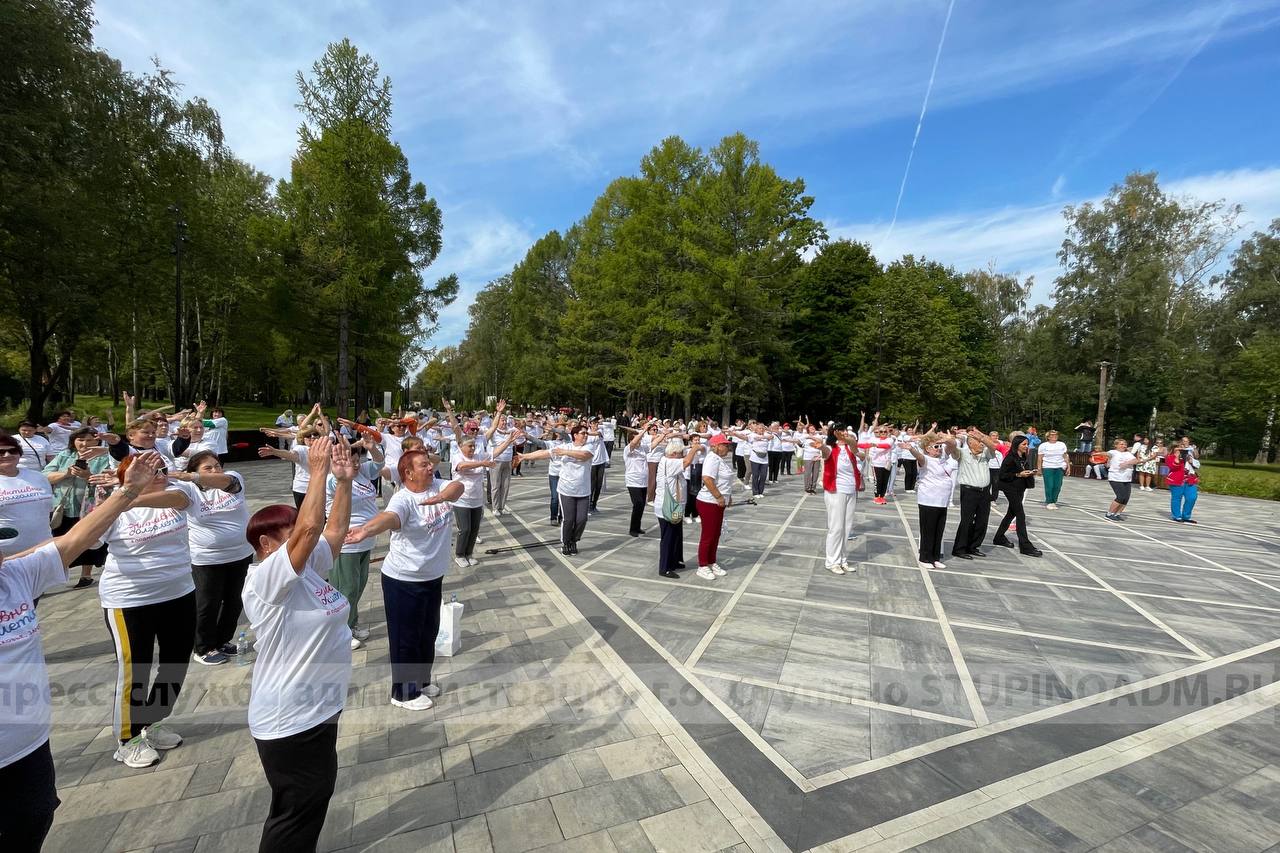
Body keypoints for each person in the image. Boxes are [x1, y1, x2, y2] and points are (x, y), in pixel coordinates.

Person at [0, 450, 159, 849]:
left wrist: (127, 492)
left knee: (35, 818)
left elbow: (74, 540)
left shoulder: (16, 576)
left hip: (29, 746)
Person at [242, 432, 355, 852]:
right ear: (267, 544)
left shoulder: (305, 570)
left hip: (319, 706)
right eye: (289, 536)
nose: (302, 539)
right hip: (289, 718)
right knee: (294, 813)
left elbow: (335, 533)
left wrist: (343, 482)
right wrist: (318, 468)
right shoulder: (266, 579)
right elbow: (309, 529)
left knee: (313, 800)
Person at [92, 451, 203, 768]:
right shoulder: (112, 509)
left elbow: (180, 500)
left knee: (175, 663)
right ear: (128, 475)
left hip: (179, 592)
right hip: (128, 601)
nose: (159, 474)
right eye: (149, 471)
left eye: (161, 469)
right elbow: (89, 543)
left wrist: (128, 498)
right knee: (135, 670)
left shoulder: (179, 495)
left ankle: (152, 721)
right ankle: (128, 739)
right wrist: (111, 503)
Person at [345, 450, 463, 710]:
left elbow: (459, 486)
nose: (430, 468)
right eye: (423, 465)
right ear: (408, 473)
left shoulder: (437, 485)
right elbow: (389, 518)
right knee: (405, 638)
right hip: (403, 580)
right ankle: (403, 693)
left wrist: (443, 496)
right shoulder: (403, 499)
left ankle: (421, 681)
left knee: (428, 632)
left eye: (429, 464)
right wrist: (365, 530)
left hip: (432, 576)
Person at [325, 436, 384, 650]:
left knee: (358, 586)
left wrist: (372, 448)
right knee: (345, 588)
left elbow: (379, 463)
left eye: (357, 460)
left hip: (365, 539)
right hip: (346, 541)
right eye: (351, 461)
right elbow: (338, 481)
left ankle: (351, 622)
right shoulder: (333, 479)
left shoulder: (363, 473)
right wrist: (342, 469)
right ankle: (339, 631)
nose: (355, 465)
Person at [44, 427, 116, 589]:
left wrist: (88, 476)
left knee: (89, 539)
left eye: (89, 440)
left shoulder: (105, 456)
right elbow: (45, 475)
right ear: (73, 441)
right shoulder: (65, 455)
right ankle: (60, 571)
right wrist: (66, 474)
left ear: (97, 440)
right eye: (80, 440)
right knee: (62, 537)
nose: (84, 444)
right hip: (64, 504)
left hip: (91, 504)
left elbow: (108, 479)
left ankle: (86, 575)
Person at [519, 426, 594, 554]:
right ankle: (566, 542)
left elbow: (584, 456)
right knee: (568, 519)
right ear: (575, 435)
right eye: (583, 433)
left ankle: (574, 540)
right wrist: (525, 456)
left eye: (586, 433)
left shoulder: (588, 447)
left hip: (583, 490)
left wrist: (565, 452)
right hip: (566, 490)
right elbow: (543, 453)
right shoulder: (565, 447)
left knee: (582, 519)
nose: (586, 435)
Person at [452, 430, 519, 567]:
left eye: (473, 446)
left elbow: (495, 453)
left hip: (476, 499)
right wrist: (482, 464)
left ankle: (469, 554)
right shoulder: (457, 456)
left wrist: (508, 442)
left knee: (474, 529)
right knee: (465, 529)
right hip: (462, 499)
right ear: (461, 446)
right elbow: (462, 466)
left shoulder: (479, 455)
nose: (472, 448)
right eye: (469, 446)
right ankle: (459, 555)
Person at [905, 429, 958, 569]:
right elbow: (919, 457)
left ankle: (934, 557)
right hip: (928, 499)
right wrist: (911, 449)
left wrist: (945, 440)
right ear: (927, 449)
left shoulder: (944, 458)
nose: (939, 449)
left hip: (942, 500)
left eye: (939, 446)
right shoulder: (925, 459)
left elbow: (953, 446)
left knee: (939, 529)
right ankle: (924, 557)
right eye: (936, 447)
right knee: (928, 530)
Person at [0, 432, 54, 558]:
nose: (7, 455)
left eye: (13, 451)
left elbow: (48, 510)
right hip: (6, 556)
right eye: (1, 452)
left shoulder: (38, 477)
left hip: (44, 549)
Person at [820, 424, 864, 575]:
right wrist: (821, 446)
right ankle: (831, 561)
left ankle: (842, 559)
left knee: (847, 527)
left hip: (851, 490)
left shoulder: (851, 447)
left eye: (845, 430)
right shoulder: (831, 448)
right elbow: (826, 452)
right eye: (840, 430)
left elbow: (862, 455)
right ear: (834, 433)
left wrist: (848, 440)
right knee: (836, 528)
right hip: (836, 491)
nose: (844, 433)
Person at [951, 428, 1000, 560]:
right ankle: (960, 549)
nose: (981, 444)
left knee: (982, 521)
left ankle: (973, 546)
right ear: (970, 443)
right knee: (966, 521)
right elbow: (953, 450)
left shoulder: (986, 453)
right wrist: (950, 439)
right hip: (969, 491)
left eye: (982, 442)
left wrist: (982, 437)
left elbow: (993, 447)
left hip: (984, 492)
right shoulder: (963, 452)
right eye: (978, 442)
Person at [992, 436, 1043, 556]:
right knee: (1020, 515)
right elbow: (1003, 475)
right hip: (1010, 488)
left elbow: (1023, 470)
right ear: (1017, 445)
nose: (1026, 446)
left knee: (1011, 513)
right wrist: (1018, 474)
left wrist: (1030, 472)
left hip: (1020, 487)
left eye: (1027, 444)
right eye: (1024, 444)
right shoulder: (1010, 457)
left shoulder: (1024, 456)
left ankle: (998, 537)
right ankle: (1025, 546)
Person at [654, 439, 695, 578]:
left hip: (675, 506)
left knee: (676, 535)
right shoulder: (669, 462)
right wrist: (695, 449)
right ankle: (664, 567)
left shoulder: (670, 461)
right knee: (668, 536)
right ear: (674, 453)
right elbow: (687, 462)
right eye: (681, 453)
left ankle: (674, 560)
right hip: (667, 507)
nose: (683, 455)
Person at [1103, 439, 1154, 521]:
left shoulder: (1128, 454)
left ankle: (1117, 514)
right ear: (1116, 445)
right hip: (1115, 477)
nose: (1123, 446)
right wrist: (1098, 453)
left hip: (1126, 478)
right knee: (1120, 497)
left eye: (1125, 444)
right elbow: (1107, 454)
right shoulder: (1113, 452)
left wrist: (1126, 463)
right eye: (1121, 444)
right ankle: (1109, 514)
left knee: (1126, 498)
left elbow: (1135, 460)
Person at [623, 421, 655, 536]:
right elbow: (634, 442)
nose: (639, 441)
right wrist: (644, 430)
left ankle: (637, 527)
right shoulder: (628, 449)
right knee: (638, 503)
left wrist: (664, 434)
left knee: (641, 506)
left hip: (643, 482)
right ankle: (632, 529)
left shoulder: (642, 448)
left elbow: (654, 444)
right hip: (633, 481)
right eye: (637, 439)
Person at [1165, 437, 1200, 523]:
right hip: (1177, 480)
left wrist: (1192, 461)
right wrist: (1177, 458)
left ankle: (1186, 516)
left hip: (1190, 479)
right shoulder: (1170, 457)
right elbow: (1173, 467)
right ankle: (1177, 516)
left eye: (1183, 447)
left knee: (1192, 497)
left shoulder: (1189, 455)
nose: (1182, 448)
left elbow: (1197, 465)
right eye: (1179, 447)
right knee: (1177, 498)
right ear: (1174, 449)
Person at [1035, 429, 1069, 508]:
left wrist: (1068, 467)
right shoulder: (1043, 445)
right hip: (1048, 467)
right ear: (1048, 437)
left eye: (1056, 435)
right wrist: (1039, 469)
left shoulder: (1062, 444)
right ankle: (1049, 501)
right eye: (1052, 435)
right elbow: (1040, 458)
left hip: (1059, 467)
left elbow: (1065, 456)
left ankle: (1054, 500)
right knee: (1049, 485)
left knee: (1058, 485)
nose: (1054, 436)